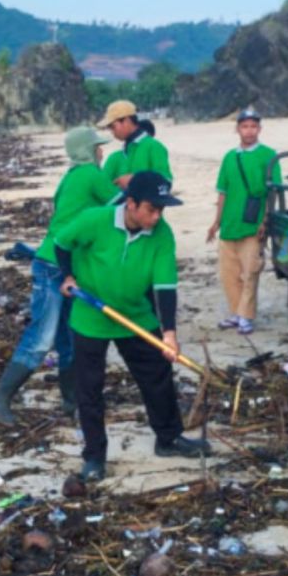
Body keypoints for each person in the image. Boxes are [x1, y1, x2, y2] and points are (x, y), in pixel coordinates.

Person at [54, 170, 211, 482]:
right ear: (131, 204)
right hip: (90, 317)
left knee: (158, 375)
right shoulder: (95, 220)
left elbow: (165, 286)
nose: (156, 217)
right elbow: (62, 242)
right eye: (151, 209)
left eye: (160, 210)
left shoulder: (162, 234)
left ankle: (168, 438)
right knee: (90, 389)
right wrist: (67, 277)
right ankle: (95, 457)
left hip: (136, 316)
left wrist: (169, 334)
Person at [0, 126, 120, 425]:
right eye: (98, 147)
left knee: (68, 339)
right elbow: (123, 207)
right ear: (87, 151)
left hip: (59, 263)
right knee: (41, 337)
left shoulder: (72, 176)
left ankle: (71, 402)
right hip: (54, 266)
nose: (102, 151)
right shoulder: (90, 174)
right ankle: (0, 397)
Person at [206, 107, 282, 334]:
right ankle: (235, 312)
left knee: (250, 272)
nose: (249, 131)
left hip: (252, 223)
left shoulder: (269, 155)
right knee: (229, 273)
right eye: (244, 126)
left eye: (253, 126)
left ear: (259, 128)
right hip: (229, 224)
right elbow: (223, 192)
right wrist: (216, 222)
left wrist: (265, 221)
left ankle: (246, 316)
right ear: (237, 129)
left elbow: (273, 191)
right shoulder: (230, 157)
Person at [97, 100, 172, 188]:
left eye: (113, 127)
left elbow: (166, 181)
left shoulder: (154, 147)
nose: (112, 132)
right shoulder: (116, 157)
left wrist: (135, 179)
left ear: (126, 121)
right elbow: (102, 185)